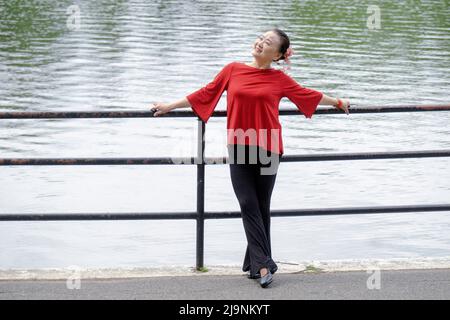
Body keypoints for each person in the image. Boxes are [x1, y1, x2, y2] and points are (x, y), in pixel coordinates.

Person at [149, 28, 350, 288]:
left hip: (269, 149)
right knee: (247, 203)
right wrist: (169, 106)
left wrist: (337, 102)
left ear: (277, 54)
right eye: (260, 38)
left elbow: (307, 95)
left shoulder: (280, 79)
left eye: (268, 43)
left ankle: (253, 263)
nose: (260, 43)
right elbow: (205, 93)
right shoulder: (232, 69)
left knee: (260, 205)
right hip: (239, 147)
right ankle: (265, 264)